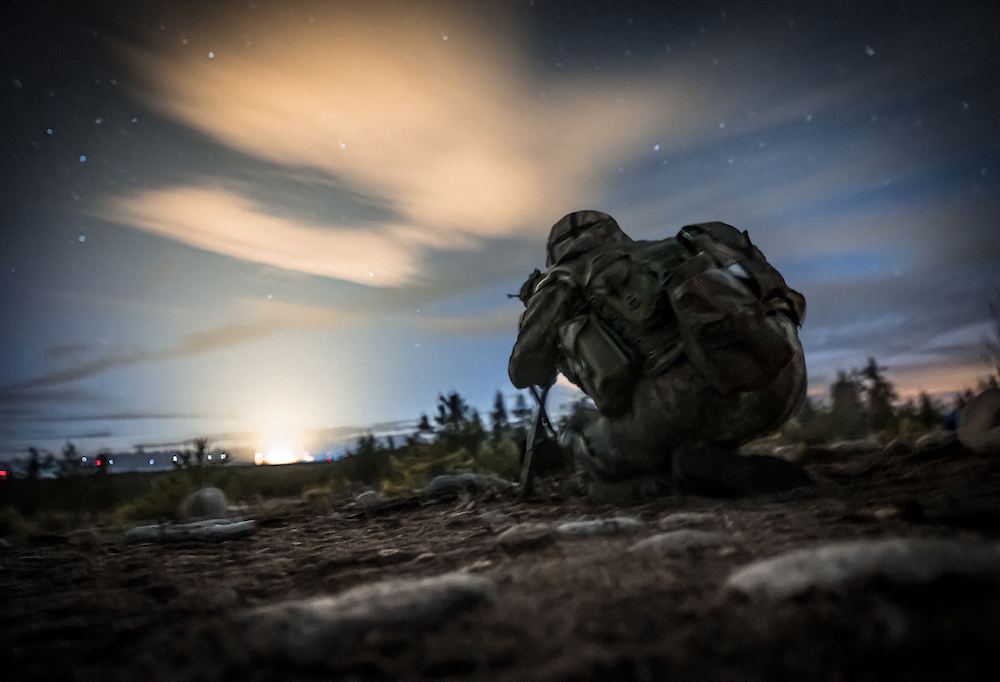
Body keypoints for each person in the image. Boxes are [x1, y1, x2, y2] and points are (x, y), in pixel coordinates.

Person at [509, 210, 810, 498]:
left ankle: (683, 476)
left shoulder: (562, 280)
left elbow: (523, 371)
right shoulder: (679, 246)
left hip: (696, 402)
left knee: (585, 447)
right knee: (679, 418)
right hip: (784, 373)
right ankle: (702, 455)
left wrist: (538, 302)